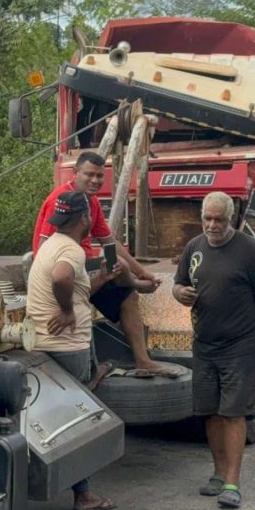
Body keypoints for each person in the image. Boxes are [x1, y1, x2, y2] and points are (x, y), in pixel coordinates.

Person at [172, 191, 255, 509]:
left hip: (240, 346)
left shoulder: (249, 251)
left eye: (218, 220)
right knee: (209, 412)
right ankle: (219, 473)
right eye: (207, 218)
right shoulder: (193, 248)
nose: (212, 225)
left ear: (232, 219)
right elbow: (178, 283)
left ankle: (233, 483)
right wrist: (179, 292)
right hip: (205, 345)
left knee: (233, 413)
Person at [33, 151, 177, 375]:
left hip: (82, 265)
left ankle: (143, 360)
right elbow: (45, 252)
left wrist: (141, 271)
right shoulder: (61, 202)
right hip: (65, 270)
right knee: (125, 285)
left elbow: (108, 241)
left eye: (100, 176)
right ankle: (133, 285)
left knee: (120, 273)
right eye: (89, 175)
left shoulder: (91, 202)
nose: (95, 181)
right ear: (75, 173)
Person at [27, 191, 120, 510]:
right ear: (84, 219)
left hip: (43, 343)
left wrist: (102, 279)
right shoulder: (72, 251)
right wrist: (67, 310)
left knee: (49, 418)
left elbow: (75, 287)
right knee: (78, 418)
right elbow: (63, 278)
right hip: (68, 345)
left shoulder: (50, 245)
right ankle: (84, 495)